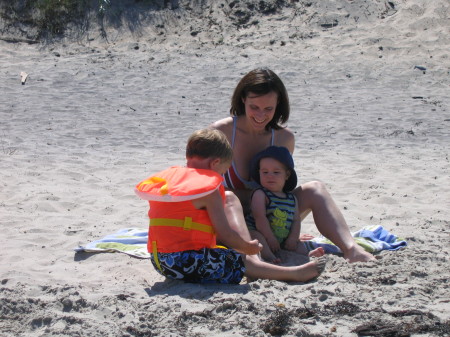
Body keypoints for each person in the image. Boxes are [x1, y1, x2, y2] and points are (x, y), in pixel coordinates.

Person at [210, 68, 375, 263]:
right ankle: (259, 256)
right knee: (229, 198)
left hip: (271, 215)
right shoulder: (221, 132)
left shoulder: (283, 138)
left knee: (315, 189)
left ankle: (351, 249)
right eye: (254, 107)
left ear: (278, 104)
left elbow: (282, 187)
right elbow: (206, 190)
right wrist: (253, 197)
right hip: (231, 217)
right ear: (243, 99)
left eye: (268, 109)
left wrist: (290, 228)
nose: (261, 115)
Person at [135, 129, 327, 284]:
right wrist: (247, 247)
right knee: (239, 259)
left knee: (224, 252)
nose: (220, 177)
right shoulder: (208, 188)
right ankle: (292, 274)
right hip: (185, 263)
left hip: (159, 261)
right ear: (216, 162)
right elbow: (225, 234)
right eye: (223, 171)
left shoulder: (170, 180)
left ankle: (263, 266)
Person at [245, 145, 325, 263]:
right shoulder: (260, 194)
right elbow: (259, 218)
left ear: (287, 175)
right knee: (256, 237)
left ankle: (307, 255)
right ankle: (270, 258)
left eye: (276, 172)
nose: (270, 176)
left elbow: (296, 220)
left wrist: (293, 238)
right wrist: (270, 238)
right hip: (262, 232)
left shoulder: (291, 198)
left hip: (281, 236)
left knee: (297, 245)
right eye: (265, 172)